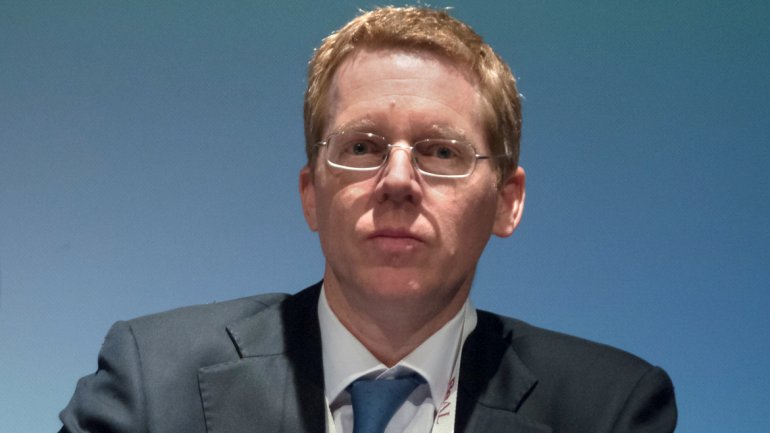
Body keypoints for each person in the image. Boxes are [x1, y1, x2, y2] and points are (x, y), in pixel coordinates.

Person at [58, 6, 676, 433]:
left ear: (506, 201)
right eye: (361, 147)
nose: (398, 181)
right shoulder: (151, 379)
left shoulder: (609, 408)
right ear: (311, 194)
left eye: (441, 152)